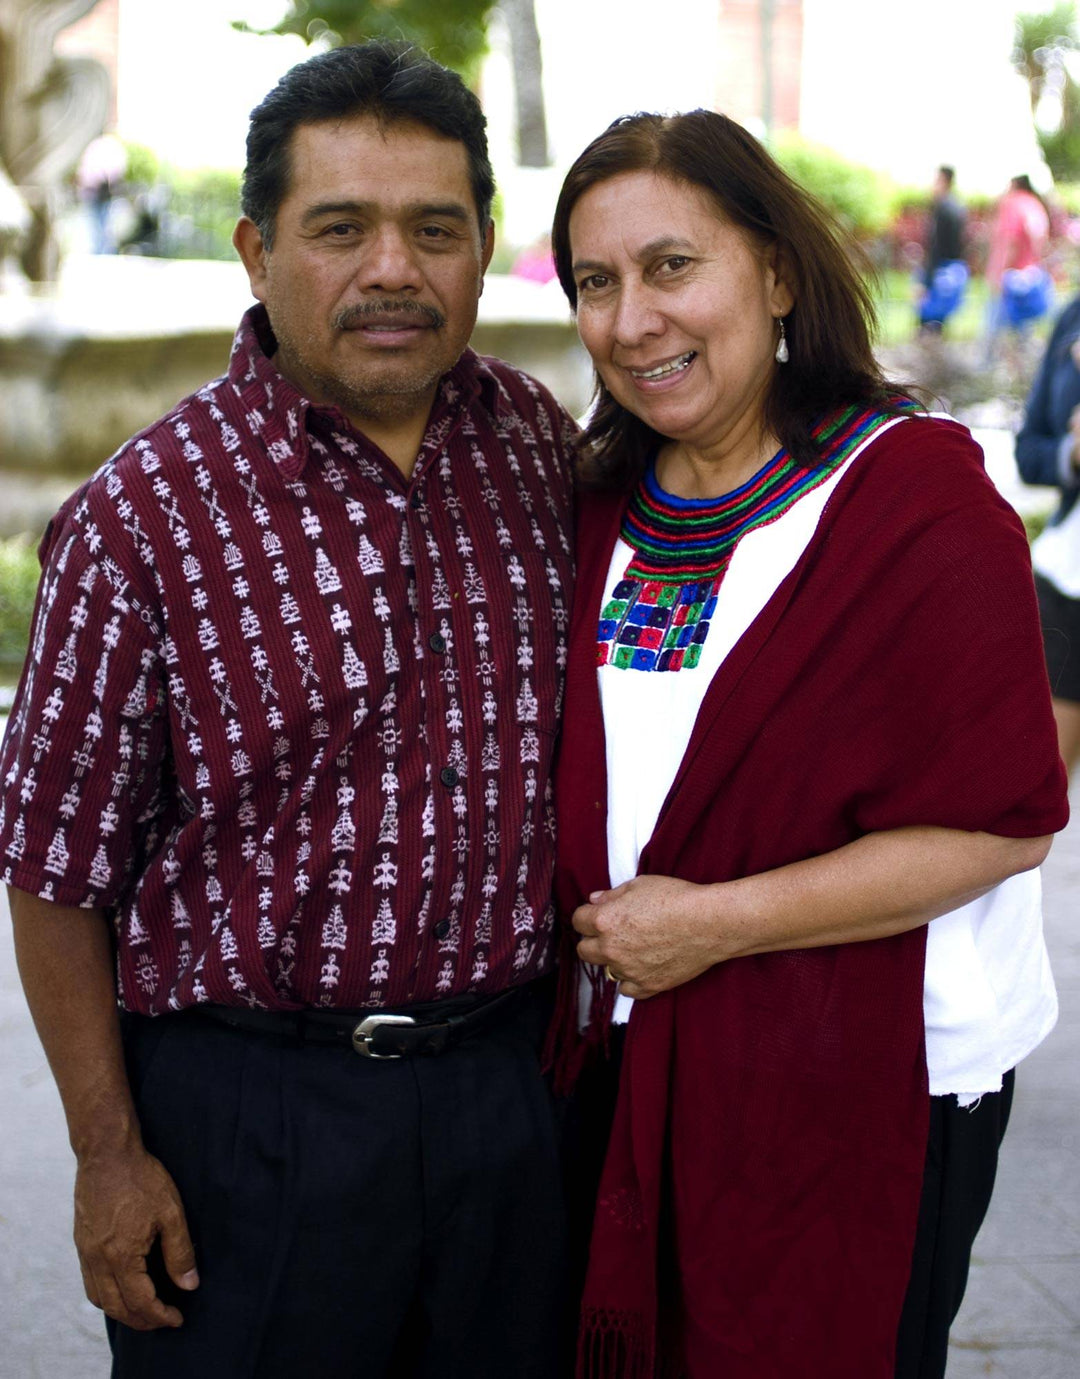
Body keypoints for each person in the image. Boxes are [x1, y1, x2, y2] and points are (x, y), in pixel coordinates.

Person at [0, 41, 575, 1379]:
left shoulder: (539, 447)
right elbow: (52, 870)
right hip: (249, 1127)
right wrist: (108, 1153)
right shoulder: (140, 518)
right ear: (258, 253)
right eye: (341, 228)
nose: (394, 268)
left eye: (435, 228)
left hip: (511, 1098)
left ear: (485, 246)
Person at [546, 111, 1068, 1379]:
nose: (633, 319)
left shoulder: (916, 499)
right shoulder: (598, 503)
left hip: (871, 1081)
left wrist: (711, 925)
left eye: (673, 266)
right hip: (632, 1059)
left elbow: (1000, 824)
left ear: (777, 273)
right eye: (596, 283)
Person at [1016, 292, 1080, 776]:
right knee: (1039, 784)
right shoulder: (1074, 314)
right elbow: (1029, 452)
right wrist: (1072, 455)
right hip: (1065, 577)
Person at [985, 174, 1052, 358]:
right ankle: (1022, 363)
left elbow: (1011, 241)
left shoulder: (1013, 204)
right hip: (1030, 272)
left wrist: (999, 272)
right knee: (1024, 326)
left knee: (994, 325)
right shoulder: (1034, 203)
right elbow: (1041, 241)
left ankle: (988, 363)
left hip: (1011, 275)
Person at [917, 165, 967, 334]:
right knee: (940, 320)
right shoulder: (959, 207)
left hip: (939, 269)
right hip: (954, 268)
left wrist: (925, 281)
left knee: (928, 317)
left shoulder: (942, 209)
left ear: (943, 181)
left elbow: (936, 245)